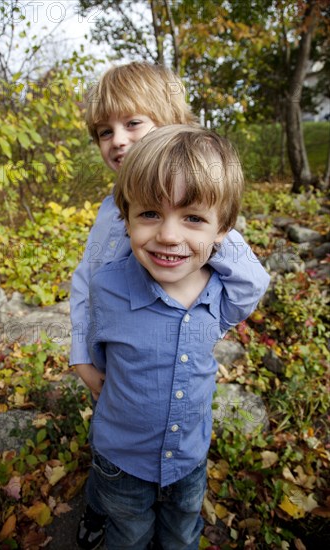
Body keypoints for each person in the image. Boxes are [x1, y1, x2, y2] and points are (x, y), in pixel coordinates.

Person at [71, 61, 262, 549]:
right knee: (121, 492)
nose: (117, 139)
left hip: (180, 412)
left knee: (179, 521)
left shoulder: (201, 217)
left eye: (133, 123)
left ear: (174, 120)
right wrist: (81, 353)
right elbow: (87, 285)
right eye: (104, 131)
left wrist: (215, 232)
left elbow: (247, 283)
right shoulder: (111, 212)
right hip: (121, 382)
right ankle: (99, 507)